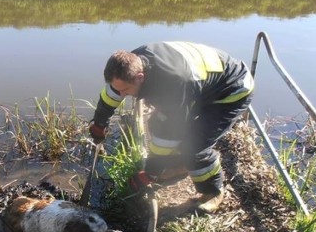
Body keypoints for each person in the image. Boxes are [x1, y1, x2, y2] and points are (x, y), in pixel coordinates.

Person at [89, 41, 254, 213]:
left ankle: (213, 191)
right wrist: (99, 123)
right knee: (157, 123)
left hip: (231, 90)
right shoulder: (129, 64)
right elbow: (113, 93)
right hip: (202, 85)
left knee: (195, 145)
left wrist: (150, 173)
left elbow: (169, 135)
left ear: (140, 78)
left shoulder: (173, 84)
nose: (121, 94)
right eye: (119, 90)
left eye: (126, 90)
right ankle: (180, 166)